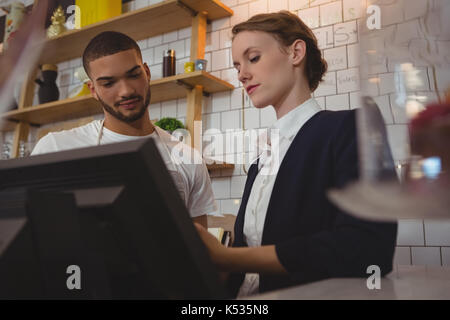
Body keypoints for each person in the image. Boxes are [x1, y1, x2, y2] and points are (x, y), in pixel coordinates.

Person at [194, 11, 398, 297]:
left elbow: (368, 248)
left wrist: (227, 257)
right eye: (237, 65)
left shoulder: (350, 128)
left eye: (253, 58)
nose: (241, 74)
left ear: (296, 52)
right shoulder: (259, 164)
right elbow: (243, 265)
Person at [31, 31, 216, 227]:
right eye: (109, 83)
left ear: (147, 72)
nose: (126, 91)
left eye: (134, 75)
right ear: (93, 90)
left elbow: (200, 246)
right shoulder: (56, 149)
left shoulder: (188, 159)